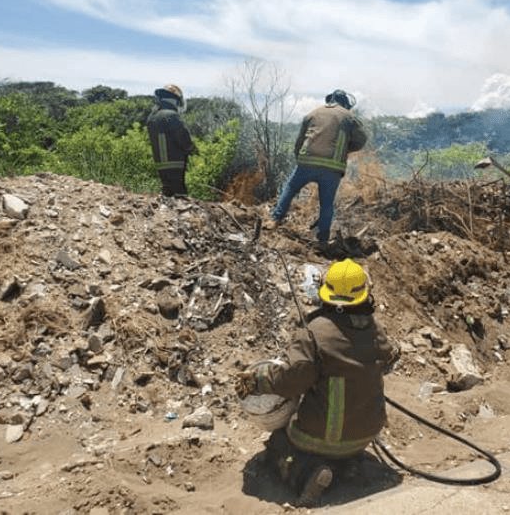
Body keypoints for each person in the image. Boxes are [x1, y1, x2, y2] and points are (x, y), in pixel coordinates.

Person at [235, 258, 400, 507]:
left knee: (279, 442)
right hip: (367, 434)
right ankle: (350, 467)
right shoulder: (376, 331)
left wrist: (255, 381)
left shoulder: (315, 332)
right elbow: (390, 356)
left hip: (321, 437)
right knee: (345, 446)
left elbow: (290, 380)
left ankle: (304, 474)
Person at [269, 89, 367, 248]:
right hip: (332, 167)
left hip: (306, 162)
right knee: (326, 204)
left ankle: (274, 219)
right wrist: (345, 149)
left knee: (290, 188)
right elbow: (362, 140)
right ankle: (322, 240)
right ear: (345, 104)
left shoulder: (312, 114)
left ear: (330, 100)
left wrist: (300, 160)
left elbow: (299, 141)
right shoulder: (348, 117)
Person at [146, 84, 197, 196]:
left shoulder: (152, 117)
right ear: (176, 100)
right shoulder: (171, 115)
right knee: (179, 194)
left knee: (168, 193)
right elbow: (183, 138)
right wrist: (193, 149)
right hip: (175, 163)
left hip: (160, 163)